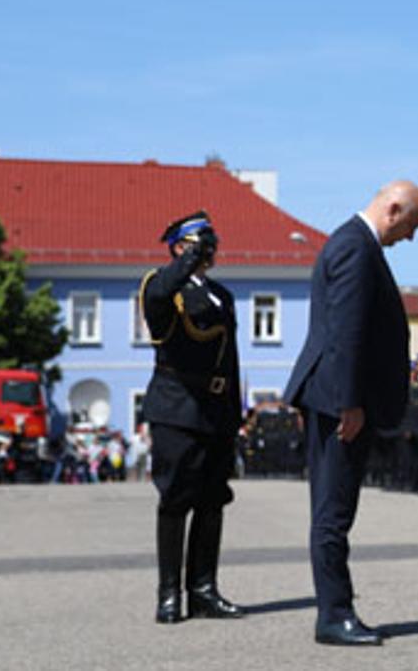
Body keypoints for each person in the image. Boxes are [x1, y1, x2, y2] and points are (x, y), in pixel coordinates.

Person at [286, 180, 418, 648]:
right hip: (338, 401)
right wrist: (349, 402)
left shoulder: (351, 242)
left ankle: (335, 610)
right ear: (393, 208)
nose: (409, 238)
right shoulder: (355, 248)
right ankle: (334, 615)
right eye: (410, 226)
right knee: (333, 511)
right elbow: (346, 332)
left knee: (332, 509)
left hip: (333, 396)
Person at [139, 210, 247, 624]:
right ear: (181, 247)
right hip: (177, 409)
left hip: (216, 410)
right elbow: (163, 292)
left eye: (212, 242)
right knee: (176, 499)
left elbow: (230, 361)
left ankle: (204, 589)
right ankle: (169, 594)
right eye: (203, 243)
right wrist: (186, 259)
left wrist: (234, 413)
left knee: (212, 499)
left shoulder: (222, 294)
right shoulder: (163, 285)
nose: (212, 250)